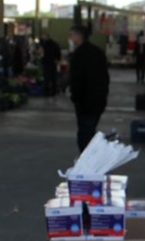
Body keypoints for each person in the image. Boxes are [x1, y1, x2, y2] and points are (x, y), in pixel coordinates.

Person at [68, 24, 110, 152]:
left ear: (78, 36)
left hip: (84, 101)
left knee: (84, 134)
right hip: (98, 100)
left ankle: (86, 161)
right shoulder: (98, 52)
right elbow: (105, 77)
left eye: (72, 35)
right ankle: (90, 158)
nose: (70, 38)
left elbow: (76, 79)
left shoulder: (78, 55)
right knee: (90, 131)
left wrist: (74, 96)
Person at [40, 31, 61, 97]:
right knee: (53, 78)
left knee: (46, 78)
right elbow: (58, 53)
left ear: (46, 36)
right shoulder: (55, 44)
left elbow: (41, 54)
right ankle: (53, 92)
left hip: (46, 63)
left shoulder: (44, 45)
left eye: (44, 36)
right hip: (53, 63)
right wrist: (58, 60)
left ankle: (46, 92)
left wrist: (41, 59)